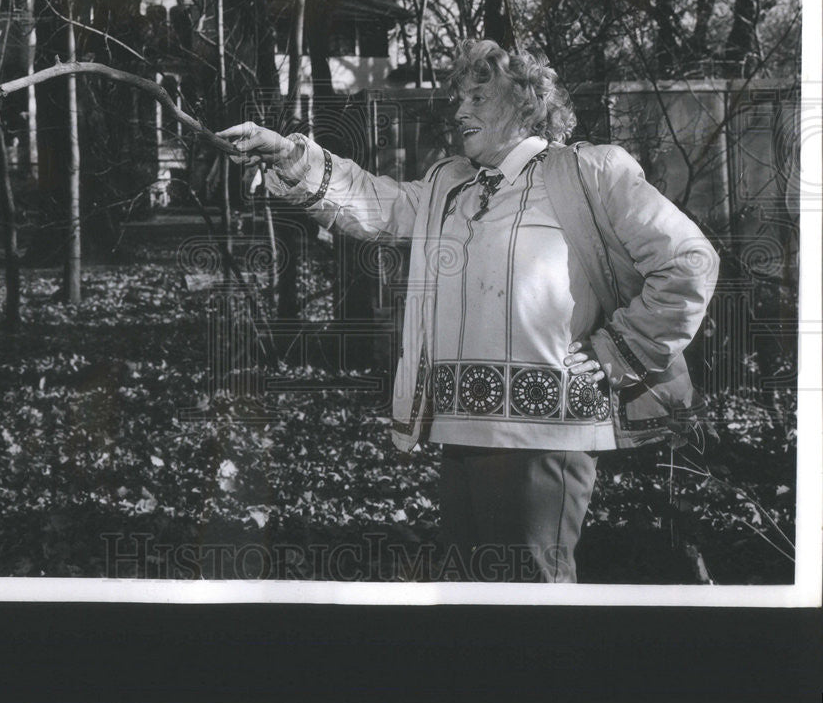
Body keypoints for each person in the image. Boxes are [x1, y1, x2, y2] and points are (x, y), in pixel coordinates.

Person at [217, 39, 718, 583]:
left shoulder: (587, 173)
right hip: (458, 429)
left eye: (479, 97)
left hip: (546, 434)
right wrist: (286, 155)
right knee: (473, 599)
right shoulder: (447, 184)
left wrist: (621, 347)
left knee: (532, 597)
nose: (460, 111)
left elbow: (689, 260)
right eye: (460, 98)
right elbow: (373, 205)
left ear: (527, 102)